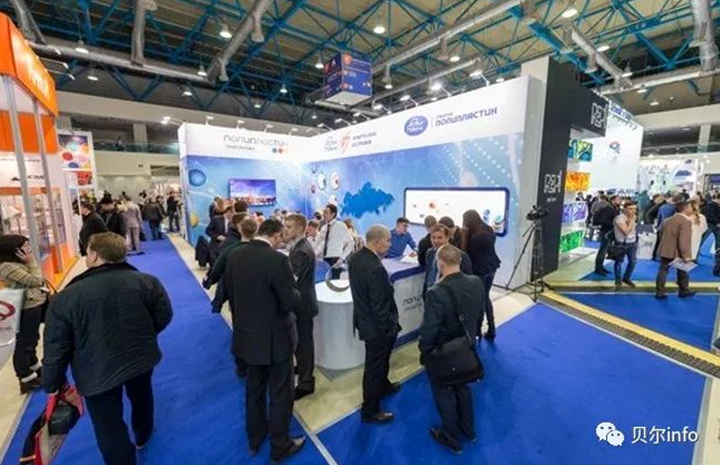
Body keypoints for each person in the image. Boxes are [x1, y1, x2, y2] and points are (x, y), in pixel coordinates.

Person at [43, 233, 173, 465]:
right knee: (142, 396)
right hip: (140, 357)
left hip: (95, 369)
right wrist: (145, 335)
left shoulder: (65, 298)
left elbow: (56, 346)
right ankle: (143, 434)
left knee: (107, 423)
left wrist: (53, 383)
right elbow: (164, 316)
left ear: (94, 255)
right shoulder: (147, 282)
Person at [224, 219, 305, 462]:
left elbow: (231, 294)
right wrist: (295, 288)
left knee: (254, 390)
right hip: (276, 340)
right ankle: (280, 446)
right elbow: (291, 301)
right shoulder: (277, 260)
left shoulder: (235, 255)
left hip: (247, 337)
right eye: (282, 236)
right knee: (280, 394)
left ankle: (255, 438)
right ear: (276, 235)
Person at [419, 245, 484, 453]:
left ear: (440, 264)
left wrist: (425, 350)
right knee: (463, 387)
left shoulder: (435, 292)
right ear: (460, 261)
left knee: (444, 391)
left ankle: (451, 436)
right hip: (466, 347)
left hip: (444, 352)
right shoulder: (476, 282)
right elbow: (479, 312)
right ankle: (468, 429)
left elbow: (430, 329)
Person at [348, 225, 402, 424]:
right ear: (377, 241)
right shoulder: (375, 268)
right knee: (374, 368)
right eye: (388, 241)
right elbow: (379, 306)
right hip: (377, 328)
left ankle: (384, 386)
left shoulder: (355, 258)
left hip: (364, 320)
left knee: (381, 363)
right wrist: (389, 328)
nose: (390, 244)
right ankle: (370, 410)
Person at [0, 235, 47, 393]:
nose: (29, 249)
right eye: (25, 246)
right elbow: (37, 280)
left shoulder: (19, 263)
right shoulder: (8, 267)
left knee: (32, 338)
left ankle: (34, 366)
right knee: (25, 342)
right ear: (15, 251)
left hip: (33, 305)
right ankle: (25, 376)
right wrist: (32, 262)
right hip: (26, 307)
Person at [283, 214, 319, 400]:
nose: (285, 229)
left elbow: (292, 280)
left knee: (304, 344)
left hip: (302, 305)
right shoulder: (298, 246)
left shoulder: (301, 251)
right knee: (300, 342)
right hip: (301, 302)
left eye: (289, 227)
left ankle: (306, 383)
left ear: (299, 229)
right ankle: (303, 369)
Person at [461, 209, 501, 342]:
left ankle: (478, 329)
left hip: (480, 270)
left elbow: (464, 253)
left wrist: (464, 236)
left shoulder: (475, 238)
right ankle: (491, 327)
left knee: (480, 299)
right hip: (492, 267)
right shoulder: (488, 230)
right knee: (485, 297)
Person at [206, 213, 246, 313]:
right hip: (235, 286)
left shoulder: (237, 238)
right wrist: (210, 278)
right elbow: (219, 266)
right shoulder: (230, 242)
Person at [655, 200, 695, 299]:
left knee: (663, 271)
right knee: (682, 271)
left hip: (665, 249)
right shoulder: (686, 221)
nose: (691, 209)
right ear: (685, 209)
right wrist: (686, 255)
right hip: (677, 251)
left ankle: (660, 293)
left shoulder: (666, 220)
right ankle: (684, 290)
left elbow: (661, 234)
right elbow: (684, 240)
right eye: (690, 207)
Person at [425, 225, 472, 291]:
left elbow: (467, 280)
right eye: (433, 237)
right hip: (430, 291)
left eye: (440, 238)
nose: (436, 241)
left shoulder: (460, 255)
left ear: (447, 238)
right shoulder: (430, 253)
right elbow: (428, 275)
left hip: (448, 293)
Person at [316, 204, 353, 279]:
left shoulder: (340, 226)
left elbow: (351, 243)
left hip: (335, 259)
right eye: (323, 212)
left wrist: (342, 258)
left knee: (335, 282)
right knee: (324, 282)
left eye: (326, 212)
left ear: (333, 214)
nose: (324, 215)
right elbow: (318, 243)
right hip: (323, 260)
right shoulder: (323, 228)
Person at [593, 195, 622, 275]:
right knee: (603, 250)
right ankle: (598, 268)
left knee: (604, 250)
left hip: (610, 232)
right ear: (613, 200)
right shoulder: (608, 209)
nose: (620, 201)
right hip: (606, 232)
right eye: (618, 199)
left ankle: (600, 267)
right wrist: (614, 224)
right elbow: (603, 221)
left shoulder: (615, 208)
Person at [612, 201, 638, 289]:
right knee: (619, 262)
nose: (633, 211)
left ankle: (626, 278)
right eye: (630, 209)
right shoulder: (619, 218)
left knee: (632, 262)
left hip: (633, 243)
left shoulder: (633, 217)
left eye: (634, 209)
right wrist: (632, 220)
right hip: (621, 243)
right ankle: (618, 281)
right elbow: (626, 231)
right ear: (624, 209)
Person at [699, 193, 720, 267]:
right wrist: (717, 222)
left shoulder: (710, 205)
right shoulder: (711, 205)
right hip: (710, 225)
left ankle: (718, 259)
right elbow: (710, 215)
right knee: (701, 240)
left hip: (713, 225)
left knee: (717, 242)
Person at [689, 197, 708, 262]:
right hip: (697, 239)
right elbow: (705, 229)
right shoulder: (702, 217)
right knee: (694, 251)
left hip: (685, 241)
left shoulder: (685, 217)